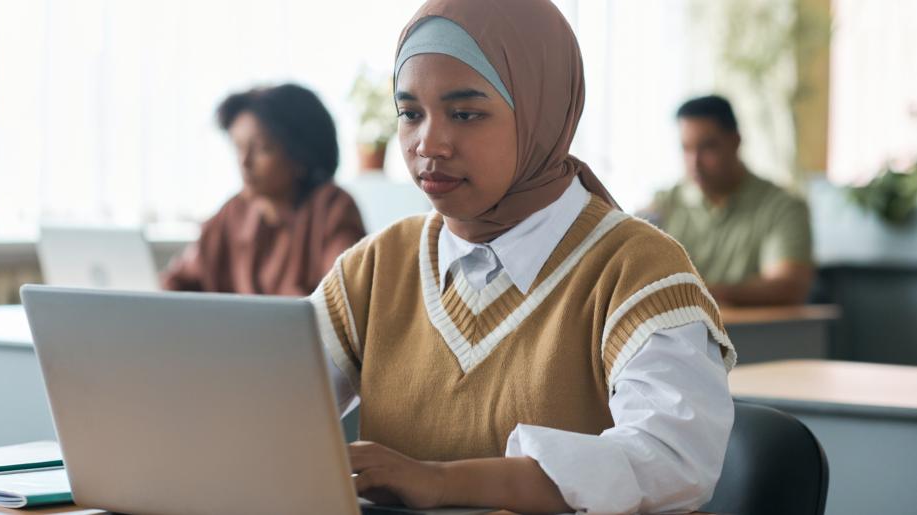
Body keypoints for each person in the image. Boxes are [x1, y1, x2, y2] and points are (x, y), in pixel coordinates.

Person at [311, 2, 736, 514]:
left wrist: (443, 483)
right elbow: (260, 401)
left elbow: (670, 462)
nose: (429, 144)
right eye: (410, 114)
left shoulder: (637, 268)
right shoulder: (376, 266)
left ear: (543, 111)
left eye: (465, 114)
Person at [161, 84, 366, 296]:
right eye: (238, 147)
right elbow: (177, 282)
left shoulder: (332, 207)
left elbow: (347, 296)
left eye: (262, 149)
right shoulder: (233, 211)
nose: (244, 162)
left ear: (301, 155)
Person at [646, 95, 814, 306]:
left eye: (707, 147)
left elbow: (788, 285)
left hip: (756, 336)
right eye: (686, 149)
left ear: (735, 141)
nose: (694, 163)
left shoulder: (782, 207)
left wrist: (690, 293)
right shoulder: (664, 204)